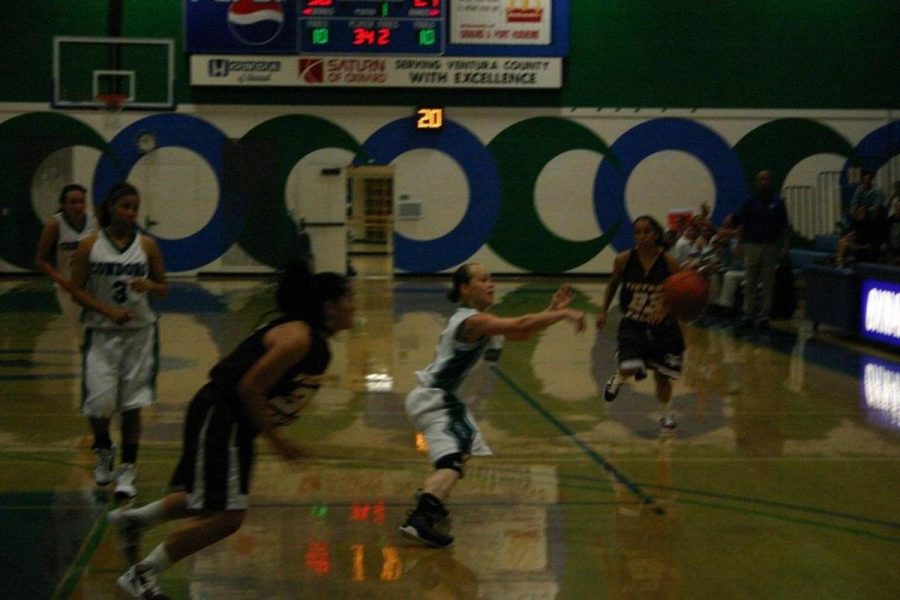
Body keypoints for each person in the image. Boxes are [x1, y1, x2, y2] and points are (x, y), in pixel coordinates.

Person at [107, 262, 356, 599]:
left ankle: (133, 522)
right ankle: (143, 574)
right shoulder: (298, 338)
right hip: (223, 414)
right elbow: (250, 386)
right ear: (329, 307)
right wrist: (277, 439)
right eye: (348, 299)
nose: (353, 306)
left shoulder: (310, 339)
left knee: (208, 499)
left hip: (230, 420)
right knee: (228, 516)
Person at [398, 263, 585, 548]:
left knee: (462, 452)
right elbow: (521, 324)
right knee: (454, 462)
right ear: (464, 288)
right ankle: (420, 518)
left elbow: (523, 334)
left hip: (442, 401)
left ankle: (430, 496)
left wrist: (551, 312)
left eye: (491, 279)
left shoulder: (484, 323)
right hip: (439, 401)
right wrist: (564, 313)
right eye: (483, 280)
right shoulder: (472, 322)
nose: (491, 284)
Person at [69, 182, 168, 499]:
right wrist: (107, 310)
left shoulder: (148, 245)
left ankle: (127, 468)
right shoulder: (89, 245)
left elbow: (163, 287)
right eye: (125, 206)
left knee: (131, 405)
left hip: (139, 334)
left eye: (134, 207)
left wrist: (149, 286)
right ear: (110, 207)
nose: (130, 213)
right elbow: (76, 290)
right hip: (101, 332)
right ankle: (103, 449)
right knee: (98, 404)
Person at [597, 215, 684, 430]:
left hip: (662, 327)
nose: (641, 236)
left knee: (663, 377)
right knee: (630, 365)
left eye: (646, 231)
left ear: (655, 234)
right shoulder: (624, 260)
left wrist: (664, 308)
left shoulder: (670, 263)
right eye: (637, 232)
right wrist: (603, 311)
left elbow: (679, 293)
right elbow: (613, 285)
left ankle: (666, 414)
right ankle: (618, 377)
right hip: (634, 322)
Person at [33, 183, 97, 335]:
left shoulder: (93, 221)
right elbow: (40, 260)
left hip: (92, 284)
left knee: (96, 331)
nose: (79, 206)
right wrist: (60, 280)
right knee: (80, 333)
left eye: (82, 201)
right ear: (64, 204)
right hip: (67, 287)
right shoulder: (55, 223)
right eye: (73, 202)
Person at [732, 170, 790, 328]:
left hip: (771, 245)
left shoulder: (778, 202)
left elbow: (784, 226)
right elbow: (742, 226)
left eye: (767, 178)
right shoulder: (749, 202)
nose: (764, 181)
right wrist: (739, 244)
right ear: (757, 182)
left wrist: (785, 245)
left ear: (771, 181)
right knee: (750, 280)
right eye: (761, 179)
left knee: (768, 282)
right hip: (752, 245)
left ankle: (764, 315)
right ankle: (748, 314)